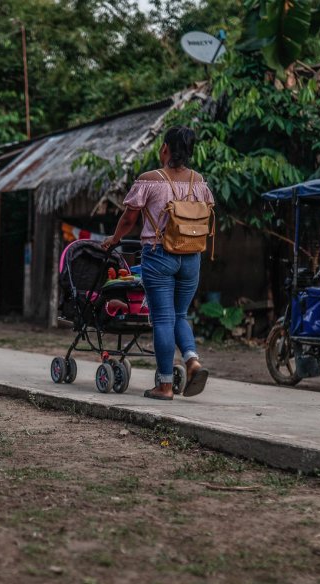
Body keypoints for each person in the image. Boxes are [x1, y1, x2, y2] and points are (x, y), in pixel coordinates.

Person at [101, 126, 212, 400]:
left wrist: (114, 239)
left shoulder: (149, 180)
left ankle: (164, 386)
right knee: (180, 315)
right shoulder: (199, 182)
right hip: (192, 257)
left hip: (159, 254)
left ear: (165, 149)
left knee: (163, 318)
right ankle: (192, 361)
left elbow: (129, 219)